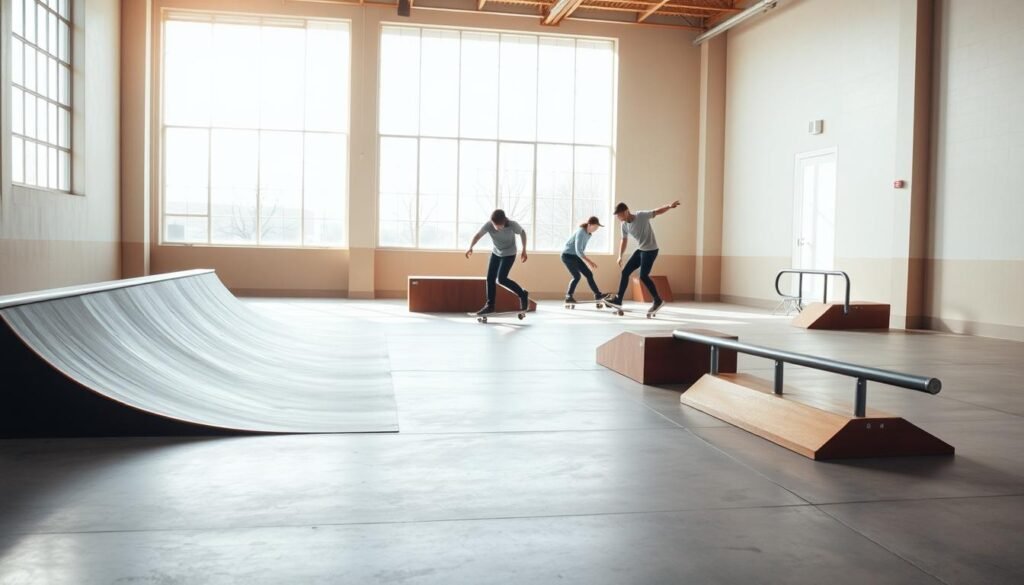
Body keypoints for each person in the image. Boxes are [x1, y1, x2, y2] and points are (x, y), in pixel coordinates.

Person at [604, 200, 680, 314]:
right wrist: (620, 255)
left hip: (651, 250)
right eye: (617, 216)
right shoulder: (624, 225)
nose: (619, 218)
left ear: (626, 211)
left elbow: (657, 212)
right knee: (625, 272)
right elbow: (624, 240)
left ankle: (658, 300)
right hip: (641, 250)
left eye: (620, 215)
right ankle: (618, 300)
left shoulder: (641, 216)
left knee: (643, 276)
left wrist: (669, 206)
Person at [464, 209, 530, 315]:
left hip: (509, 253)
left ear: (504, 221)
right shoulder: (488, 225)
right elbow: (478, 235)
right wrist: (470, 247)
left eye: (500, 225)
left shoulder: (512, 225)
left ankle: (522, 294)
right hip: (496, 253)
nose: (497, 228)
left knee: (502, 279)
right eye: (495, 225)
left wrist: (524, 250)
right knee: (490, 278)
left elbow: (522, 233)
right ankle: (490, 306)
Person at [561, 216, 609, 305]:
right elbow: (578, 250)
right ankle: (568, 296)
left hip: (575, 256)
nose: (596, 229)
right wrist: (589, 262)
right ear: (589, 225)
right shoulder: (581, 232)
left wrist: (586, 262)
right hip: (567, 256)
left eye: (597, 228)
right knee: (577, 276)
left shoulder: (588, 234)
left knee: (589, 274)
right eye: (595, 227)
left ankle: (598, 295)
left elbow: (580, 252)